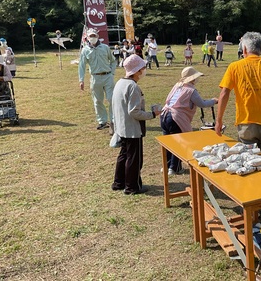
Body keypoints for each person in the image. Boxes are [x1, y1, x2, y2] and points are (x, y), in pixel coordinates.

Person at [215, 31, 261, 158]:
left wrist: (219, 120)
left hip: (246, 124)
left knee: (249, 162)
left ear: (244, 49)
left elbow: (224, 93)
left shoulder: (234, 67)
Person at [111, 55, 161, 195]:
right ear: (137, 70)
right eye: (143, 67)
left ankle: (119, 182)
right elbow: (134, 112)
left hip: (122, 126)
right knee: (134, 159)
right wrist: (152, 114)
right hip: (132, 128)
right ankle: (132, 186)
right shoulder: (133, 87)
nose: (144, 70)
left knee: (124, 155)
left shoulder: (120, 83)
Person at [160, 67, 219, 175]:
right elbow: (202, 103)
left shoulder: (177, 85)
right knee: (178, 143)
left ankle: (166, 165)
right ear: (192, 78)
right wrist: (214, 101)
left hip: (164, 115)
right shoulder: (191, 90)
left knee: (168, 143)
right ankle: (174, 168)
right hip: (175, 117)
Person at [78, 28, 117, 133]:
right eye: (90, 36)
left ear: (98, 37)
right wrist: (81, 80)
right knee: (97, 101)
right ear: (87, 38)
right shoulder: (85, 50)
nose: (93, 38)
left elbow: (113, 61)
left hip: (108, 76)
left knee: (111, 99)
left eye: (94, 36)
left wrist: (112, 73)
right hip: (95, 78)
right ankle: (102, 121)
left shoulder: (105, 48)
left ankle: (114, 120)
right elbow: (81, 66)